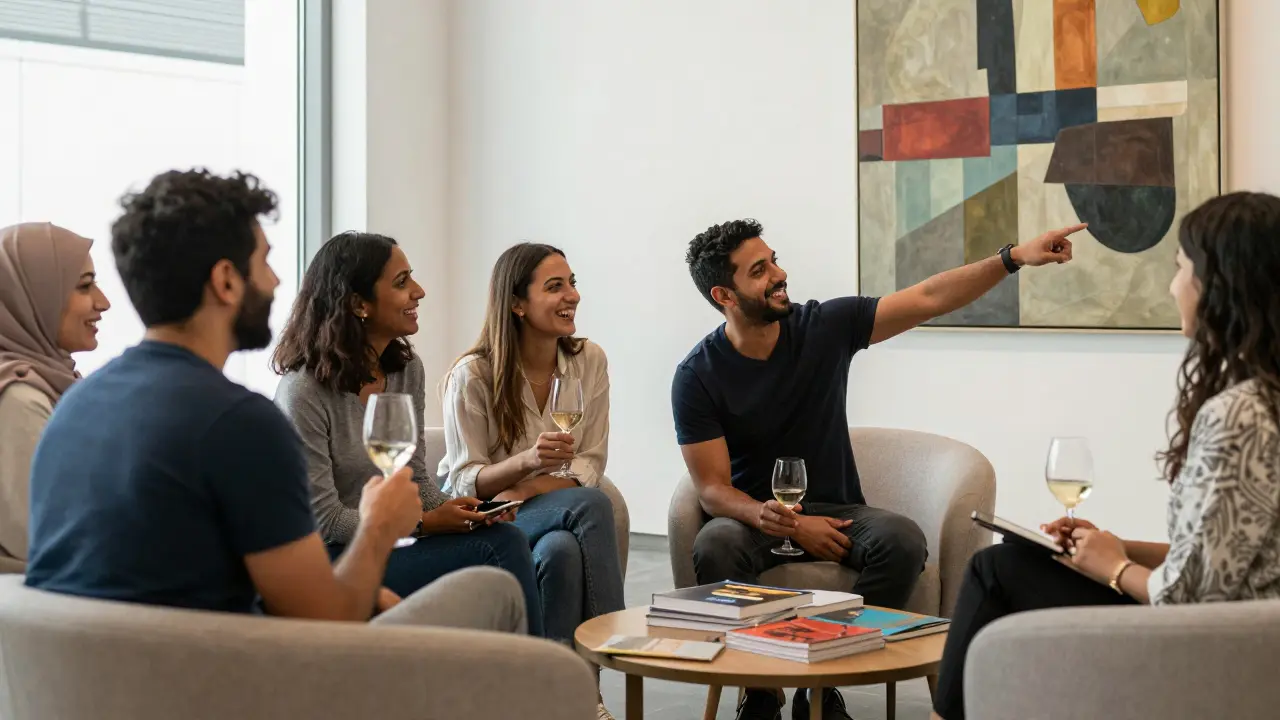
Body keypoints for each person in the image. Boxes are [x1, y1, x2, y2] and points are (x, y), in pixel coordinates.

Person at [24, 169, 526, 635]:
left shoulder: (74, 406)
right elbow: (327, 621)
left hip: (97, 690)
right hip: (223, 689)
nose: (277, 282)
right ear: (225, 281)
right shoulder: (239, 424)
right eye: (263, 261)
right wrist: (378, 526)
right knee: (494, 588)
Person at [673, 218, 1085, 720]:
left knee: (902, 540)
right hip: (755, 519)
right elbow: (713, 490)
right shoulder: (697, 375)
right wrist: (786, 522)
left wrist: (1013, 257)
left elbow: (930, 296)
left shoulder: (822, 327)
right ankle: (760, 689)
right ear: (725, 294)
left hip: (842, 509)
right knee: (715, 543)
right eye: (759, 270)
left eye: (774, 259)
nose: (779, 274)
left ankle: (821, 686)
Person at [930, 191, 1280, 720]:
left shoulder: (1237, 414)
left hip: (1210, 643)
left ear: (1220, 287)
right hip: (1241, 624)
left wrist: (1113, 567)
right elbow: (1223, 557)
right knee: (1022, 557)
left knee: (995, 572)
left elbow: (1187, 597)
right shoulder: (1264, 398)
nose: (1172, 285)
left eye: (1181, 268)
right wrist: (1118, 547)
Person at [273, 230, 545, 636]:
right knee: (500, 549)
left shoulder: (404, 370)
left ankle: (521, 683)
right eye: (402, 282)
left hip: (394, 542)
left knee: (503, 536)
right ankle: (535, 686)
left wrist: (463, 510)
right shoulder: (304, 390)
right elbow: (324, 521)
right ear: (358, 304)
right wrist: (421, 524)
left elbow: (416, 480)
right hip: (334, 561)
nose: (419, 291)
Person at [439, 242, 625, 720]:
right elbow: (462, 482)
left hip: (544, 505)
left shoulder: (589, 361)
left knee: (561, 551)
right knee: (595, 506)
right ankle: (616, 639)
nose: (573, 296)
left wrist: (527, 487)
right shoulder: (473, 375)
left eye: (573, 283)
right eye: (555, 286)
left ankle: (567, 695)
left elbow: (589, 464)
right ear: (517, 304)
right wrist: (523, 465)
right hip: (493, 522)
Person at [0, 223, 111, 570]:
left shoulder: (56, 381)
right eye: (84, 286)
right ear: (33, 296)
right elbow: (41, 537)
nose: (102, 302)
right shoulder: (17, 397)